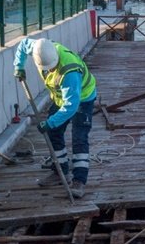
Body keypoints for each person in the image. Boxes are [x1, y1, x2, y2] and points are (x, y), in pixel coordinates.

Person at [13, 38, 97, 198]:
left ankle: (79, 180)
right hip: (60, 99)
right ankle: (60, 171)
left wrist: (50, 122)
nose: (50, 71)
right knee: (53, 133)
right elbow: (23, 45)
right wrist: (19, 66)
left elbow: (71, 106)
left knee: (79, 138)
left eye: (51, 68)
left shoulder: (70, 72)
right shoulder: (39, 48)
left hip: (82, 99)